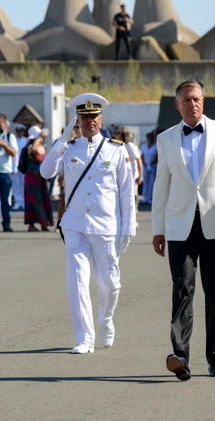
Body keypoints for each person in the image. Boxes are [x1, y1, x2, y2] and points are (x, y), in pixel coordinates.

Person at [151, 80, 215, 380]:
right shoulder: (166, 138)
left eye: (197, 99)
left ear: (204, 101)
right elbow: (160, 185)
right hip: (180, 226)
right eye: (186, 100)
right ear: (176, 104)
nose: (192, 104)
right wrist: (158, 229)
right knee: (182, 289)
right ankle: (180, 355)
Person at [40, 93, 136, 354]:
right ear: (77, 121)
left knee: (110, 284)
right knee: (78, 282)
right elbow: (46, 171)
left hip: (106, 226)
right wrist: (61, 139)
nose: (89, 121)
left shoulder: (116, 150)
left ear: (101, 118)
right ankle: (85, 337)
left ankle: (105, 320)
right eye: (83, 117)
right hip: (75, 225)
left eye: (93, 116)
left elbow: (127, 192)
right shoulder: (68, 148)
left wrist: (129, 226)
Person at [23, 126, 54, 232]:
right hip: (32, 176)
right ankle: (31, 224)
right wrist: (39, 136)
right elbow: (34, 149)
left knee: (43, 199)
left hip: (41, 176)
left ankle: (44, 223)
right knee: (33, 200)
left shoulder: (42, 147)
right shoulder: (30, 146)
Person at [0, 114, 18, 232]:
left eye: (1, 121)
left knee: (5, 200)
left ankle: (6, 223)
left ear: (5, 123)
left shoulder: (9, 136)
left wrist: (3, 144)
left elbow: (13, 152)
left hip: (5, 173)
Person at [11, 123, 26, 211]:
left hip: (23, 166)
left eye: (21, 131)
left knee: (23, 183)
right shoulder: (14, 140)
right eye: (18, 131)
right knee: (16, 184)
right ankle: (17, 201)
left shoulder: (26, 140)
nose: (19, 133)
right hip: (15, 166)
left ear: (23, 132)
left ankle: (23, 201)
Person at [140, 131, 157, 205]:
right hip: (145, 166)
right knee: (146, 182)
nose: (149, 140)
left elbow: (157, 156)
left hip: (153, 166)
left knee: (152, 182)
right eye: (148, 138)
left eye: (150, 138)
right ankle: (145, 198)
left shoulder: (156, 146)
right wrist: (145, 164)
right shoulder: (143, 146)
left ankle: (151, 198)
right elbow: (142, 156)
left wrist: (150, 163)